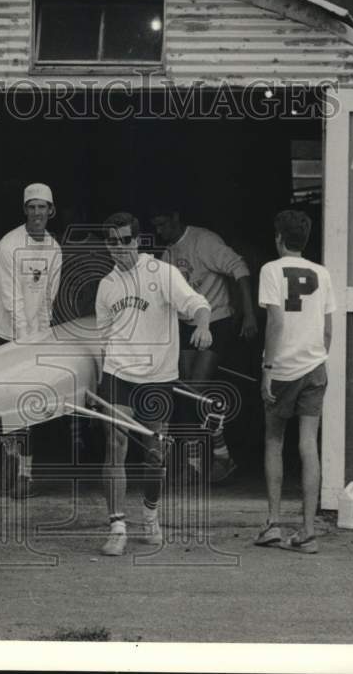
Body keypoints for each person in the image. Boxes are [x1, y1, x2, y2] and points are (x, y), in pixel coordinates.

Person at [95, 212, 211, 556]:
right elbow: (102, 340)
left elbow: (197, 303)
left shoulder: (162, 273)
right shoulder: (106, 286)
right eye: (113, 243)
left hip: (158, 378)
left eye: (126, 241)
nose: (120, 249)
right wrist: (97, 381)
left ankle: (149, 515)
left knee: (154, 454)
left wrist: (203, 326)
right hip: (118, 374)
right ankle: (117, 526)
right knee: (114, 445)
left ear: (138, 240)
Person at [150, 207, 258, 483]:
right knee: (188, 392)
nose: (159, 231)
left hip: (216, 321)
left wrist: (248, 314)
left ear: (176, 217)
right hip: (187, 325)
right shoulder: (167, 255)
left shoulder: (203, 242)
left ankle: (204, 461)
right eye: (156, 226)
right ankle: (215, 457)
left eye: (163, 224)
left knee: (195, 390)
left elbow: (240, 269)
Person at [253, 210, 334, 554]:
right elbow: (328, 329)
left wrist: (268, 367)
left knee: (274, 440)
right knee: (308, 445)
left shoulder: (271, 270)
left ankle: (272, 523)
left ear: (279, 238)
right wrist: (317, 357)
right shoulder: (323, 273)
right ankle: (308, 532)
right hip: (315, 366)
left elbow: (276, 323)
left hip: (283, 367)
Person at [0, 183, 62, 498]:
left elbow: (47, 301)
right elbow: (12, 301)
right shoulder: (7, 246)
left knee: (30, 401)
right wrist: (24, 346)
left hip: (32, 332)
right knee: (3, 401)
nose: (37, 213)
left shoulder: (54, 249)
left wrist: (39, 342)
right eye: (32, 207)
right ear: (25, 210)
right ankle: (8, 462)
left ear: (51, 211)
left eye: (43, 207)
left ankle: (26, 471)